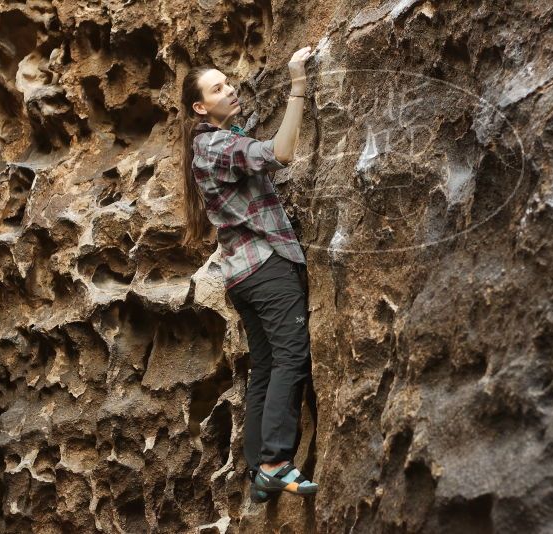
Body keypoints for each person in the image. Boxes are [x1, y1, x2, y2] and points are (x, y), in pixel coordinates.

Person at [178, 46, 318, 502]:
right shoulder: (215, 144)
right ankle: (278, 462)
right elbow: (281, 152)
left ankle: (260, 470)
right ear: (200, 107)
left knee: (265, 367)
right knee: (292, 356)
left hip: (242, 276)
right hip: (266, 268)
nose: (229, 88)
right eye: (217, 88)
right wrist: (298, 85)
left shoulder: (211, 142)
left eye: (227, 82)